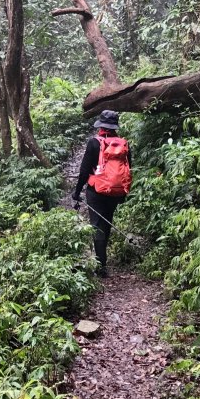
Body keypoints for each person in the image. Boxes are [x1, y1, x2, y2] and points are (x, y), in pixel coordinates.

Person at [72, 110, 132, 277]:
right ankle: (102, 261)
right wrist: (123, 193)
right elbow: (128, 169)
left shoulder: (94, 143)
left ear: (101, 126)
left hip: (96, 191)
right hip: (115, 192)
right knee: (105, 224)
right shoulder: (123, 144)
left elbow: (84, 171)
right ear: (114, 127)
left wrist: (76, 193)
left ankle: (101, 266)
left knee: (97, 225)